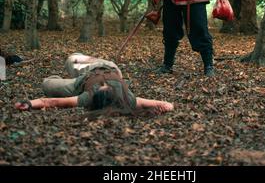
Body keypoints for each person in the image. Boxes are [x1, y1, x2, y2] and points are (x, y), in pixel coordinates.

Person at [15, 53, 174, 116]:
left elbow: (51, 101)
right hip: (107, 65)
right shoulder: (128, 98)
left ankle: (64, 77)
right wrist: (164, 107)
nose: (106, 84)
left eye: (104, 86)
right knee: (73, 59)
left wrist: (28, 103)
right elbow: (166, 104)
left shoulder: (86, 98)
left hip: (84, 76)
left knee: (48, 84)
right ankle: (73, 68)